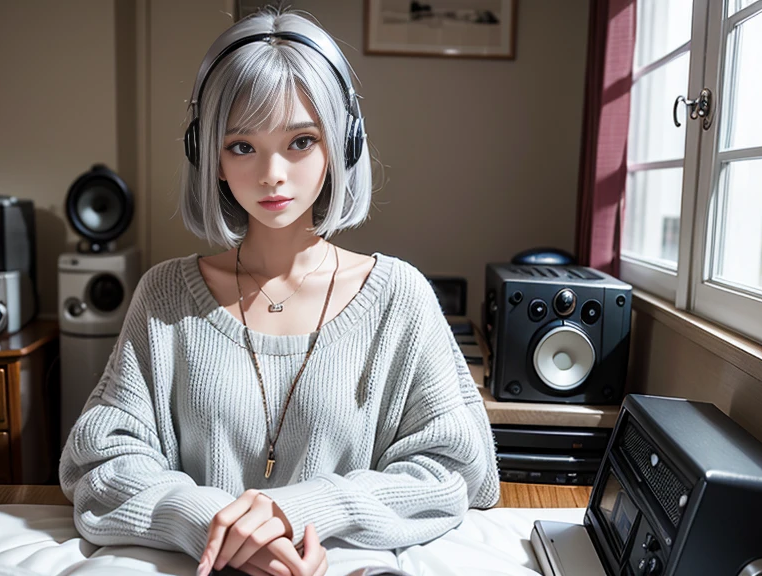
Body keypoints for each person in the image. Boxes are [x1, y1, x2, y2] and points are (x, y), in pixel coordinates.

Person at [58, 6, 499, 576]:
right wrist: (211, 524)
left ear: (344, 146)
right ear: (208, 156)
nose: (272, 173)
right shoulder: (163, 297)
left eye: (300, 141)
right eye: (242, 146)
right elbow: (100, 464)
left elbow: (459, 469)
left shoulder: (399, 298)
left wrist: (297, 512)